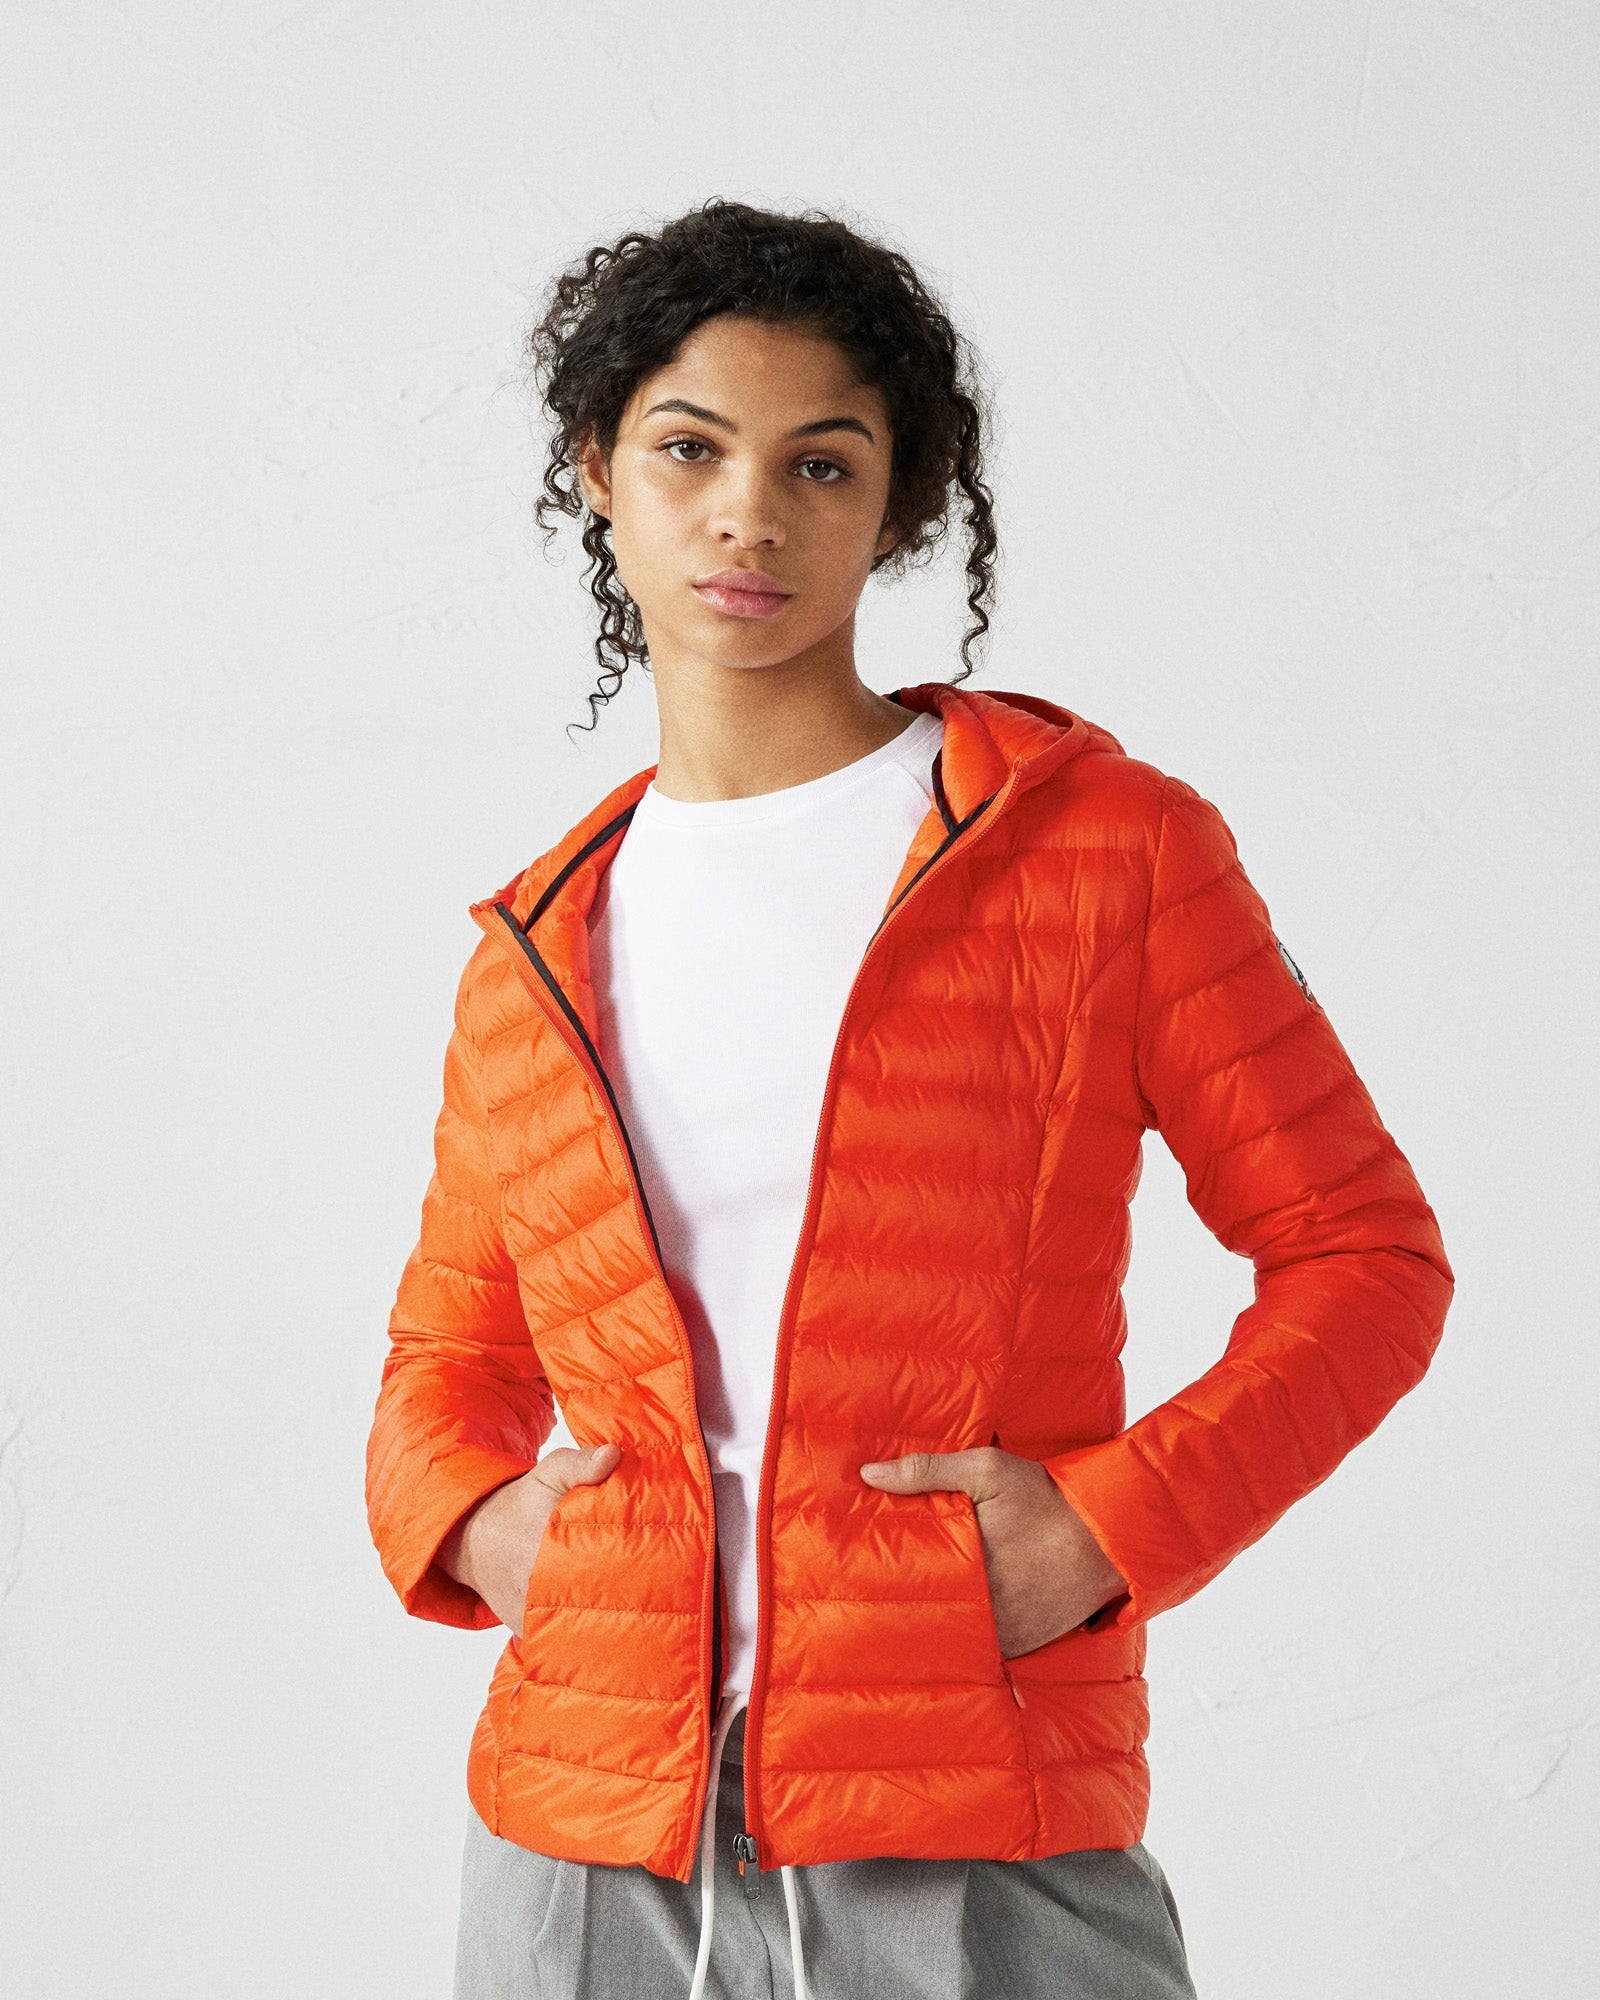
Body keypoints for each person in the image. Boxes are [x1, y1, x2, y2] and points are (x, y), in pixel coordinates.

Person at [364, 201, 1454, 2000]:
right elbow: (444, 1361)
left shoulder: (1103, 851)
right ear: (600, 473)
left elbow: (1365, 1257)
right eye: (690, 449)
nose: (749, 515)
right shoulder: (539, 942)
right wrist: (481, 1528)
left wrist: (1105, 1529)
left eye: (822, 464)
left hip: (969, 1824)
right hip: (581, 1844)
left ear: (896, 507)